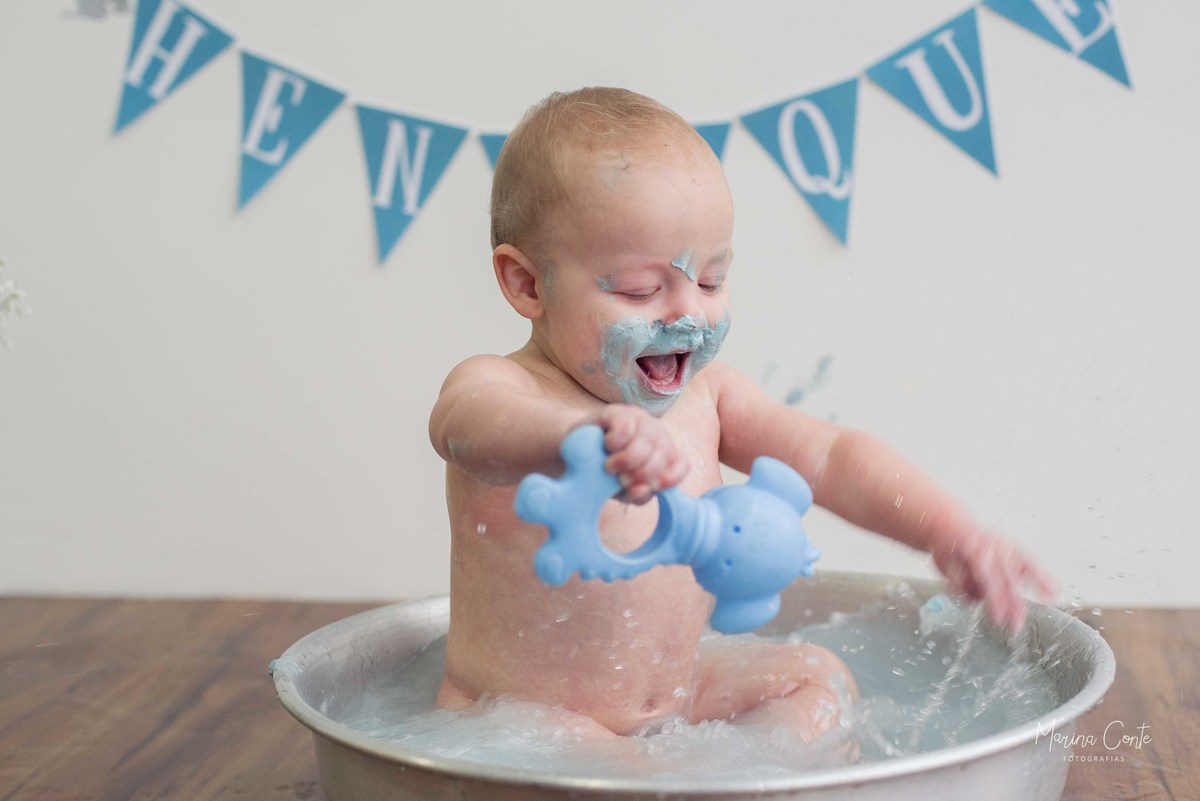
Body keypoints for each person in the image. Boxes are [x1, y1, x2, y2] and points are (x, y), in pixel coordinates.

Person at [428, 87, 1054, 741]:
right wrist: (576, 437)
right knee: (599, 768)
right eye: (641, 289)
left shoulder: (710, 398)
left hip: (677, 698)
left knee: (817, 678)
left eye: (711, 280)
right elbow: (465, 430)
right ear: (528, 284)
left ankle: (756, 774)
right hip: (528, 718)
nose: (688, 312)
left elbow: (830, 457)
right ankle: (694, 778)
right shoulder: (504, 388)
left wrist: (945, 528)